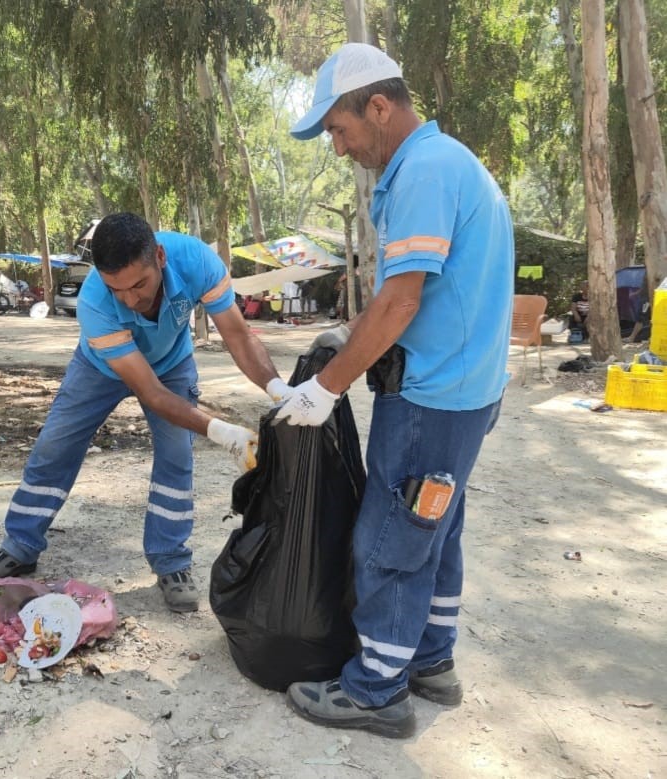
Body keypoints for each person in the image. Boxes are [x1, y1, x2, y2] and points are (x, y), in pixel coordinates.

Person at [276, 43, 513, 738]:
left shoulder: (424, 172)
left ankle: (377, 686)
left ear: (378, 106)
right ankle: (431, 659)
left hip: (432, 397)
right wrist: (351, 338)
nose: (339, 146)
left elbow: (402, 300)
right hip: (468, 392)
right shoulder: (449, 163)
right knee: (435, 527)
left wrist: (325, 385)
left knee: (390, 537)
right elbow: (418, 294)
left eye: (340, 130)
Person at [0, 212, 290, 612]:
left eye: (139, 284)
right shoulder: (94, 305)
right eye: (117, 289)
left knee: (176, 457)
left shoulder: (197, 261)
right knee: (54, 448)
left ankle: (171, 561)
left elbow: (239, 337)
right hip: (100, 367)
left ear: (159, 256)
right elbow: (151, 394)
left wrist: (279, 391)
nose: (131, 300)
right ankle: (20, 546)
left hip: (172, 363)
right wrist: (224, 432)